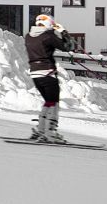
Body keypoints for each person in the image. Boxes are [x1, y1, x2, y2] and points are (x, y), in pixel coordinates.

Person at [25, 13, 74, 142]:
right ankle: (50, 132)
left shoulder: (28, 36)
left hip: (35, 74)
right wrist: (63, 32)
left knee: (48, 101)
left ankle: (40, 130)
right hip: (47, 72)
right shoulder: (48, 36)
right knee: (54, 102)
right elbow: (68, 47)